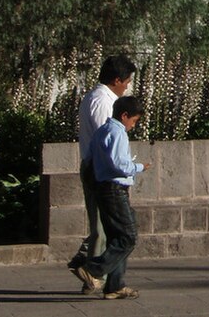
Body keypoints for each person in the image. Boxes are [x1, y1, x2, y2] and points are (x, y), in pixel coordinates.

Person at [68, 54, 136, 289]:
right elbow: (106, 142)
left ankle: (106, 280)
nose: (127, 87)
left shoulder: (98, 98)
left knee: (109, 228)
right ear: (117, 80)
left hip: (100, 169)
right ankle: (93, 274)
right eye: (126, 82)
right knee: (104, 228)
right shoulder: (102, 102)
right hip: (101, 171)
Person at [75, 95, 151, 300]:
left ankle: (115, 285)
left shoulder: (101, 132)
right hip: (115, 189)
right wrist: (139, 167)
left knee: (116, 237)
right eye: (133, 121)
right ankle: (93, 269)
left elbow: (91, 159)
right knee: (128, 237)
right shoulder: (117, 132)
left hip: (102, 187)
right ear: (124, 116)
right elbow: (119, 164)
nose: (133, 126)